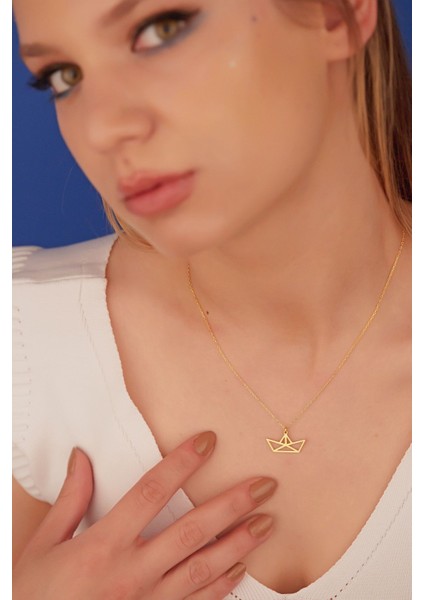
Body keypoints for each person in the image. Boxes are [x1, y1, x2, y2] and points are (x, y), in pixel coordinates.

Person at [12, 0, 412, 598]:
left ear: (335, 15)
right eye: (64, 76)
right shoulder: (23, 345)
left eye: (160, 29)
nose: (102, 129)